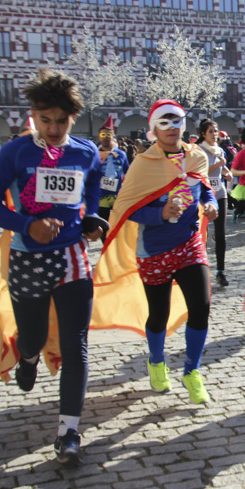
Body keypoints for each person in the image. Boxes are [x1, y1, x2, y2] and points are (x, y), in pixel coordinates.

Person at [0, 68, 107, 465]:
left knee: (76, 347)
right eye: (44, 119)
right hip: (28, 259)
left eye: (61, 120)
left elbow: (89, 195)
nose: (53, 128)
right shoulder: (14, 152)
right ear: (32, 115)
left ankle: (68, 432)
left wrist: (89, 222)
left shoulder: (85, 152)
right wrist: (27, 224)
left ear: (73, 117)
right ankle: (30, 356)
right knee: (31, 336)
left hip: (72, 259)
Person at [94, 100, 218, 404]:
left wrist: (211, 203)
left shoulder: (196, 156)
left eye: (177, 120)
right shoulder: (142, 163)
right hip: (154, 250)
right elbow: (126, 207)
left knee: (201, 307)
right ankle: (157, 361)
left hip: (189, 244)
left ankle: (192, 371)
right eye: (164, 121)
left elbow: (203, 187)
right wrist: (159, 213)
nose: (172, 127)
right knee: (158, 314)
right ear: (153, 128)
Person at [197, 118, 233, 286]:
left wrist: (227, 172)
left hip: (219, 193)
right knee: (201, 234)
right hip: (203, 196)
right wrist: (219, 164)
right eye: (210, 131)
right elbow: (202, 171)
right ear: (203, 134)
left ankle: (221, 271)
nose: (214, 134)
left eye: (216, 131)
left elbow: (222, 166)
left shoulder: (219, 150)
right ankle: (201, 270)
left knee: (221, 234)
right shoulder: (199, 151)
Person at [96, 116, 129, 238]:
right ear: (99, 136)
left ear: (113, 136)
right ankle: (106, 248)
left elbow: (128, 173)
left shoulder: (121, 154)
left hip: (117, 196)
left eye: (108, 135)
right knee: (103, 228)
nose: (106, 138)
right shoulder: (95, 154)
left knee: (120, 226)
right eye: (103, 135)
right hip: (101, 196)